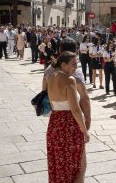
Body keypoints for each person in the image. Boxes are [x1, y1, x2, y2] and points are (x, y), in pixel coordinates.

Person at [46, 51, 89, 182]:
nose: (76, 67)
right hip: (69, 124)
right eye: (73, 64)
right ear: (63, 65)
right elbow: (75, 109)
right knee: (79, 167)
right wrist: (85, 131)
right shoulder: (69, 80)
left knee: (59, 166)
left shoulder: (51, 77)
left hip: (55, 122)